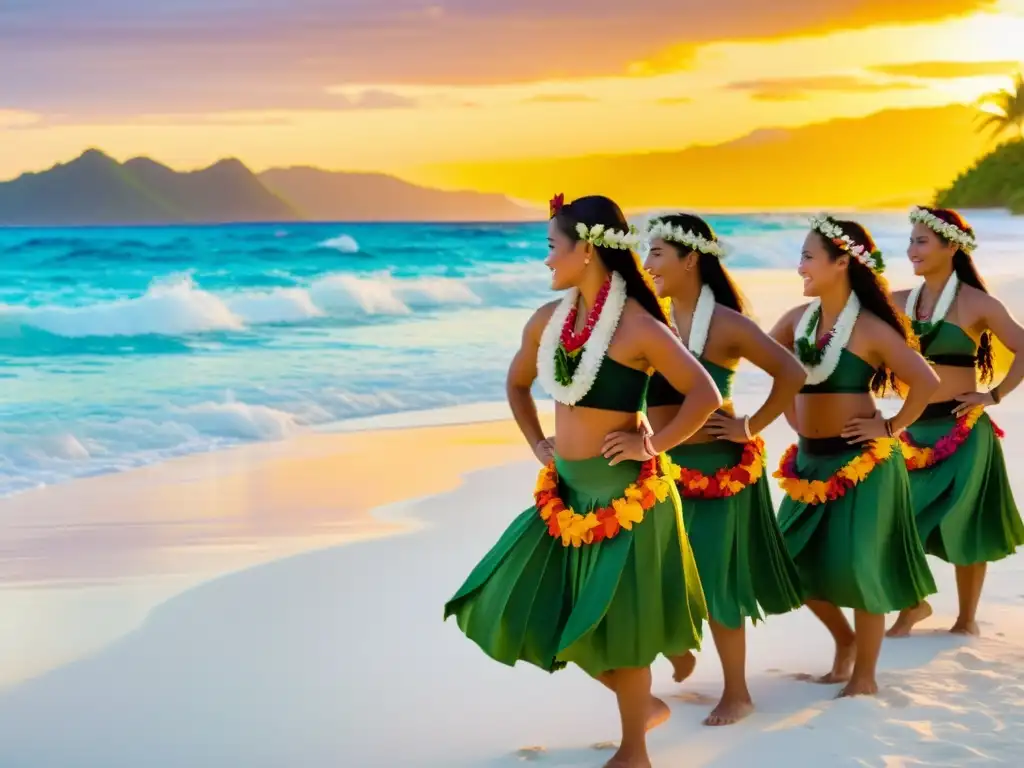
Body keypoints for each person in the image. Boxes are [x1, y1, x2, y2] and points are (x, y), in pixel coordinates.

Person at [444, 195, 721, 768]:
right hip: (565, 497)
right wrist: (537, 443)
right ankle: (641, 702)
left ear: (586, 248)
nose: (546, 260)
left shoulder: (639, 328)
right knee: (536, 607)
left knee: (621, 624)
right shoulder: (546, 324)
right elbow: (517, 386)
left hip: (626, 497)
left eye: (552, 246)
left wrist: (653, 444)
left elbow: (704, 394)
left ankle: (635, 750)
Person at [641, 213, 805, 726]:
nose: (647, 266)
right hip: (664, 464)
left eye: (659, 255)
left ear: (691, 259)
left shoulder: (727, 324)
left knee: (715, 581)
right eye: (646, 254)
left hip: (717, 470)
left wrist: (751, 426)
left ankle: (738, 693)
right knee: (660, 568)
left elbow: (791, 372)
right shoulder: (656, 320)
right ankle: (679, 650)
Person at [769, 214, 939, 697]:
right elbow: (766, 363)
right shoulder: (794, 321)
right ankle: (843, 642)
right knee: (789, 563)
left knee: (863, 570)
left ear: (842, 262)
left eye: (807, 256)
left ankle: (864, 676)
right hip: (808, 464)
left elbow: (926, 382)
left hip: (863, 465)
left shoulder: (869, 328)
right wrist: (784, 414)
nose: (799, 266)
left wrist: (888, 426)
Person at [887, 207, 1024, 638]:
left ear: (951, 246)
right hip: (913, 430)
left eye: (922, 241)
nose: (912, 250)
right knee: (894, 519)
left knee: (967, 524)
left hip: (963, 431)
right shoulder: (897, 302)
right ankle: (912, 605)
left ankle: (966, 619)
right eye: (910, 241)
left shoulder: (976, 302)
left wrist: (994, 394)